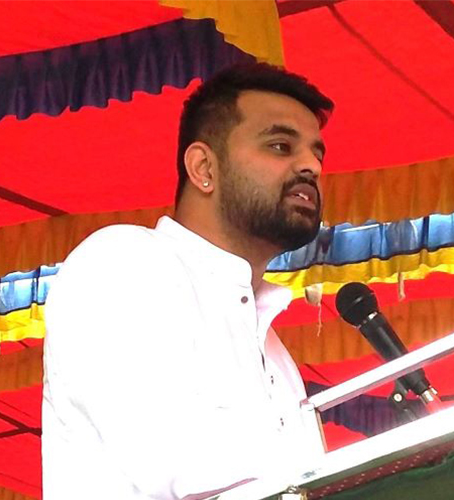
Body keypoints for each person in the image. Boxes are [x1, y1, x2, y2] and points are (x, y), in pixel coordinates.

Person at [42, 63, 335, 500]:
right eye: (280, 146)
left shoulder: (274, 352)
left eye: (317, 154)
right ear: (203, 168)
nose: (311, 166)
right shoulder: (125, 262)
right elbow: (188, 469)